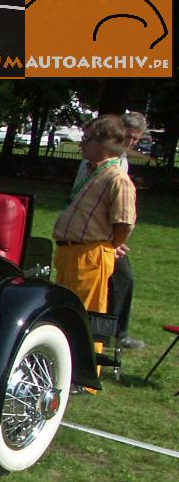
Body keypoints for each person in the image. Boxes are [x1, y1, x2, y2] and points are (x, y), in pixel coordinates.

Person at [53, 114, 135, 384]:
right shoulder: (91, 171)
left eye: (87, 140)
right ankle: (65, 368)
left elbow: (124, 222)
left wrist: (110, 246)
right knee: (65, 310)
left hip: (90, 254)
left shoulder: (117, 178)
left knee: (85, 314)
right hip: (70, 252)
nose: (82, 144)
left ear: (104, 143)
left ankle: (83, 375)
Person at [71, 112, 147, 349]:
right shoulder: (95, 162)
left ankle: (114, 334)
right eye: (130, 137)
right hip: (93, 238)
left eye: (136, 139)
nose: (132, 142)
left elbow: (124, 217)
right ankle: (102, 336)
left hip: (103, 240)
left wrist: (114, 243)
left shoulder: (118, 165)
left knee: (123, 279)